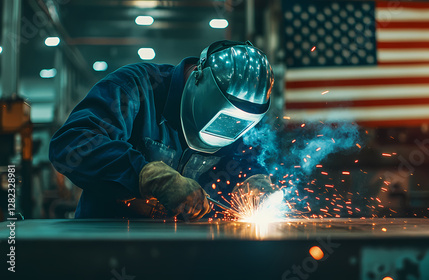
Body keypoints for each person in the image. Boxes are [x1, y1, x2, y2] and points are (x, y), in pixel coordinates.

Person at [49, 40, 275, 220]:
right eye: (224, 118)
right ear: (198, 78)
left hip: (190, 254)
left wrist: (255, 179)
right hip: (110, 246)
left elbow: (248, 160)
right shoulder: (136, 87)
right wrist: (144, 175)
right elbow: (70, 144)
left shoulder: (245, 120)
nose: (227, 129)